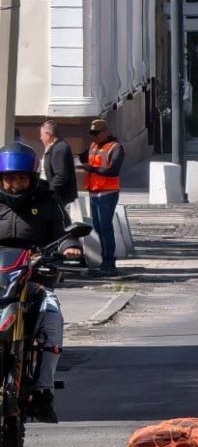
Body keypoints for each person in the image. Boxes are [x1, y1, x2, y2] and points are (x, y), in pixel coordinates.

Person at [0, 142, 83, 423]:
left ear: (32, 177)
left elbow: (64, 232)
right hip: (1, 281)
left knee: (52, 316)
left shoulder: (47, 199)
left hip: (35, 276)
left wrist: (70, 247)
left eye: (21, 178)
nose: (15, 184)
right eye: (9, 178)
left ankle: (44, 390)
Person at [79, 119, 123, 276]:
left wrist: (92, 168)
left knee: (105, 226)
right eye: (92, 134)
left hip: (107, 193)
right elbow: (83, 157)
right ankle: (105, 259)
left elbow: (113, 171)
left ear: (105, 132)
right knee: (98, 227)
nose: (93, 137)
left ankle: (109, 261)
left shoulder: (115, 147)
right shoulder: (93, 145)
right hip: (94, 192)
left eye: (96, 134)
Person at [39, 120, 77, 206]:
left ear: (48, 135)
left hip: (56, 196)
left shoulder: (59, 149)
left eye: (42, 135)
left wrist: (50, 192)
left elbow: (61, 176)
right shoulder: (52, 147)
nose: (40, 138)